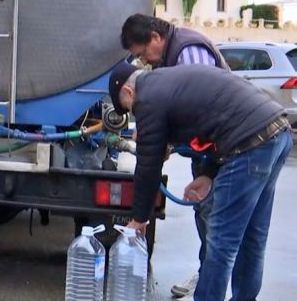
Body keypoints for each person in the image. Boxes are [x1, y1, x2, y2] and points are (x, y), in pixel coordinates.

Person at [108, 61, 291, 301]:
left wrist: (139, 219)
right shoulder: (168, 82)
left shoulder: (147, 99)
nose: (135, 114)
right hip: (277, 133)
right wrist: (207, 174)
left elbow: (148, 166)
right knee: (253, 236)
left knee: (221, 242)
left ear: (129, 92)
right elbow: (216, 120)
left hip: (250, 145)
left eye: (129, 108)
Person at [120, 13, 228, 299]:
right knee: (205, 212)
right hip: (209, 147)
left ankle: (210, 281)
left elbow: (204, 108)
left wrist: (161, 137)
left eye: (142, 54)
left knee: (216, 218)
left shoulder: (188, 51)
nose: (144, 63)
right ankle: (208, 274)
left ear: (155, 37)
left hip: (224, 148)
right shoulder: (170, 56)